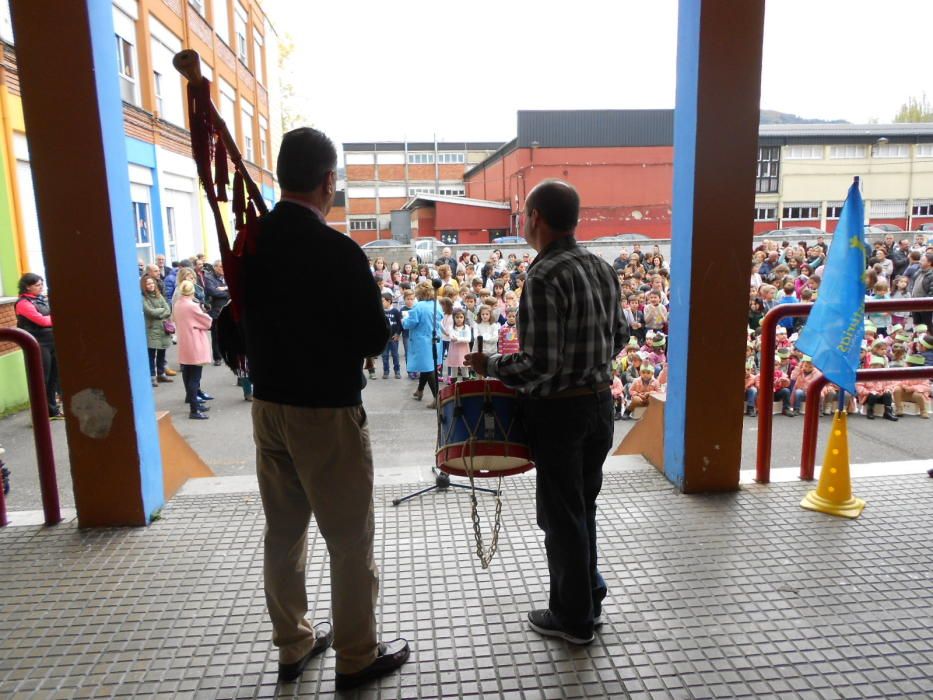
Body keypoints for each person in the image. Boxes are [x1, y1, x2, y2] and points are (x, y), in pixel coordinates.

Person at [241, 128, 408, 688]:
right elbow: (373, 338)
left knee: (283, 532)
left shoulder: (251, 242)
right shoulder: (339, 252)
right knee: (348, 538)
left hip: (267, 406)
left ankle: (294, 643)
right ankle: (357, 655)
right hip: (327, 413)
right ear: (328, 181)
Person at [465, 179, 626, 646]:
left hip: (560, 415)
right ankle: (589, 596)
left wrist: (491, 364)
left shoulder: (544, 275)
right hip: (599, 407)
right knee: (582, 506)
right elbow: (619, 336)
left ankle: (572, 618)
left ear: (534, 217)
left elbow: (540, 363)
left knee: (561, 516)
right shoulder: (600, 266)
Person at [14, 273, 63, 419]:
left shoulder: (42, 300)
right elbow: (41, 321)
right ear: (27, 287)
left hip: (51, 341)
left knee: (53, 376)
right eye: (37, 285)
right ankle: (40, 413)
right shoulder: (23, 303)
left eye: (41, 284)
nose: (40, 287)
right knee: (42, 377)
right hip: (38, 343)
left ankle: (52, 410)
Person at [173, 281, 213, 419]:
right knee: (195, 377)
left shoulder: (177, 304)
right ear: (192, 292)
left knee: (188, 374)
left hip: (184, 342)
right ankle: (194, 410)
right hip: (194, 342)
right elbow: (207, 321)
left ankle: (194, 402)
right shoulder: (192, 306)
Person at [402, 281, 443, 408]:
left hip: (422, 342)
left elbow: (411, 323)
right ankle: (419, 391)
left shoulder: (418, 306)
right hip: (434, 339)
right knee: (427, 366)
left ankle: (437, 399)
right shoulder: (437, 304)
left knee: (428, 369)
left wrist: (404, 320)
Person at [141, 275, 174, 387]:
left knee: (162, 352)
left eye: (152, 283)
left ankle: (161, 373)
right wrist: (161, 311)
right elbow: (150, 312)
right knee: (151, 355)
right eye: (148, 284)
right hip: (152, 330)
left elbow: (168, 310)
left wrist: (159, 312)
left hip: (162, 329)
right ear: (144, 286)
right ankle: (152, 377)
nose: (151, 285)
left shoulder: (159, 295)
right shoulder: (143, 298)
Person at [204, 260, 230, 366]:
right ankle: (217, 357)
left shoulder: (227, 276)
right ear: (215, 267)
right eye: (220, 266)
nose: (223, 269)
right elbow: (212, 291)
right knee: (216, 335)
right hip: (216, 310)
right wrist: (227, 292)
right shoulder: (209, 278)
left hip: (228, 308)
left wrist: (224, 289)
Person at [381, 291, 402, 379]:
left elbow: (400, 324)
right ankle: (386, 371)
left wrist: (397, 334)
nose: (381, 303)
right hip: (384, 339)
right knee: (384, 355)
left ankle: (397, 371)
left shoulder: (396, 311)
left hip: (393, 338)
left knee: (395, 355)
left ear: (389, 301)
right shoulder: (381, 311)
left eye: (383, 301)